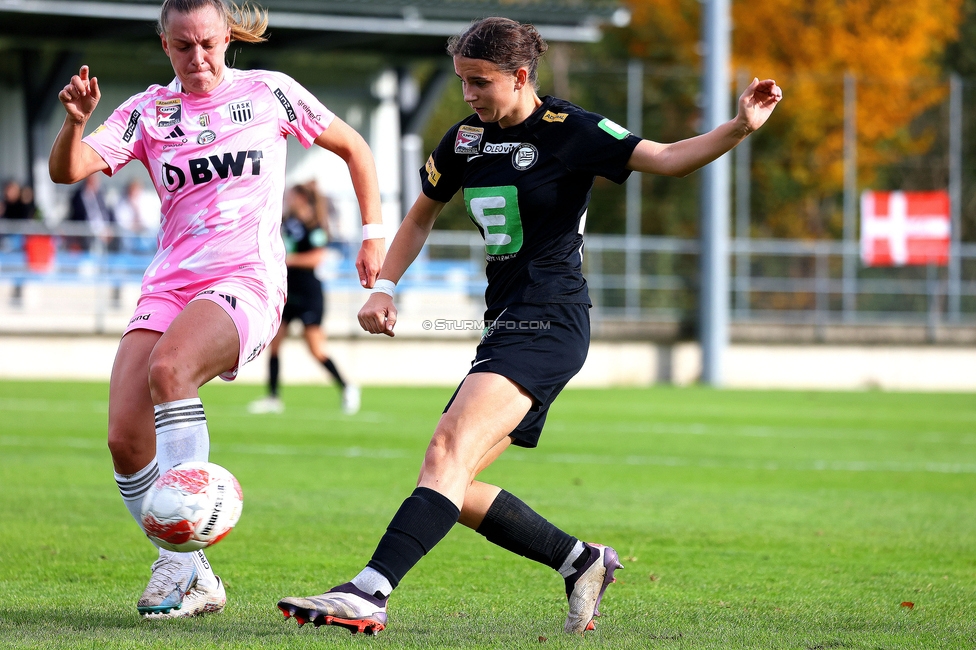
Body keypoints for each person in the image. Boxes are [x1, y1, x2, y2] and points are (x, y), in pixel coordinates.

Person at [278, 16, 782, 637]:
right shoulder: (463, 140)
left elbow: (670, 159)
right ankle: (581, 561)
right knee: (450, 485)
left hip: (551, 316)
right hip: (506, 320)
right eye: (462, 81)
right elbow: (418, 219)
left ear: (520, 77)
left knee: (445, 453)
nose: (467, 95)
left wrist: (738, 126)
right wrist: (385, 284)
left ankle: (370, 591)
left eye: (479, 82)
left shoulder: (572, 130)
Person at [49, 0, 384, 619]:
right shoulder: (149, 111)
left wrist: (373, 234)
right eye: (183, 47)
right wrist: (74, 123)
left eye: (208, 43)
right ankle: (198, 572)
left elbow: (356, 147)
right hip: (168, 287)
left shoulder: (269, 93)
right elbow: (68, 171)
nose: (198, 58)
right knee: (125, 438)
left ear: (227, 37)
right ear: (165, 44)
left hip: (248, 280)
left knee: (170, 369)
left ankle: (176, 562)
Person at [248, 181, 360, 415]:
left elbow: (317, 258)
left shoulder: (315, 225)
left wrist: (288, 260)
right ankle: (273, 397)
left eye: (293, 195)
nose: (288, 198)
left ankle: (347, 387)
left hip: (309, 293)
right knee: (275, 345)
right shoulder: (289, 221)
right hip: (288, 291)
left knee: (316, 349)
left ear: (301, 198)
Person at [113, 179, 162, 253]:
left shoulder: (148, 200)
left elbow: (151, 221)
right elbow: (122, 223)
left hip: (146, 233)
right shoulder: (122, 203)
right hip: (129, 235)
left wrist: (137, 210)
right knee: (127, 238)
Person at [68, 174, 114, 251]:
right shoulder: (79, 196)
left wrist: (109, 227)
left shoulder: (100, 195)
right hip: (87, 229)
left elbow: (107, 211)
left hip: (103, 228)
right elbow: (77, 215)